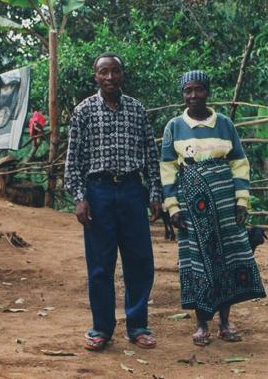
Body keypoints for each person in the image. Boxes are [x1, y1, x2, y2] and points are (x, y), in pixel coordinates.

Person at [160, 70, 266, 346]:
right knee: (198, 262)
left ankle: (225, 323)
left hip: (224, 205)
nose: (193, 96)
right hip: (191, 208)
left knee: (226, 261)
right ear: (182, 94)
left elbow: (239, 163)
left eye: (198, 90)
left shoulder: (225, 124)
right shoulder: (174, 126)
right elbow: (168, 168)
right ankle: (201, 325)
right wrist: (172, 207)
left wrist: (241, 202)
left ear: (207, 91)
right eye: (187, 91)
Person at [64, 53, 162, 351]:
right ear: (95, 76)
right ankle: (101, 329)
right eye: (103, 72)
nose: (109, 77)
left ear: (122, 74)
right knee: (100, 265)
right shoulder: (83, 111)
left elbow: (151, 156)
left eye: (115, 71)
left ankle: (138, 326)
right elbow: (73, 161)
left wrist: (155, 193)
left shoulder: (137, 110)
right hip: (99, 193)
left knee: (140, 261)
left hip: (133, 191)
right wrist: (80, 198)